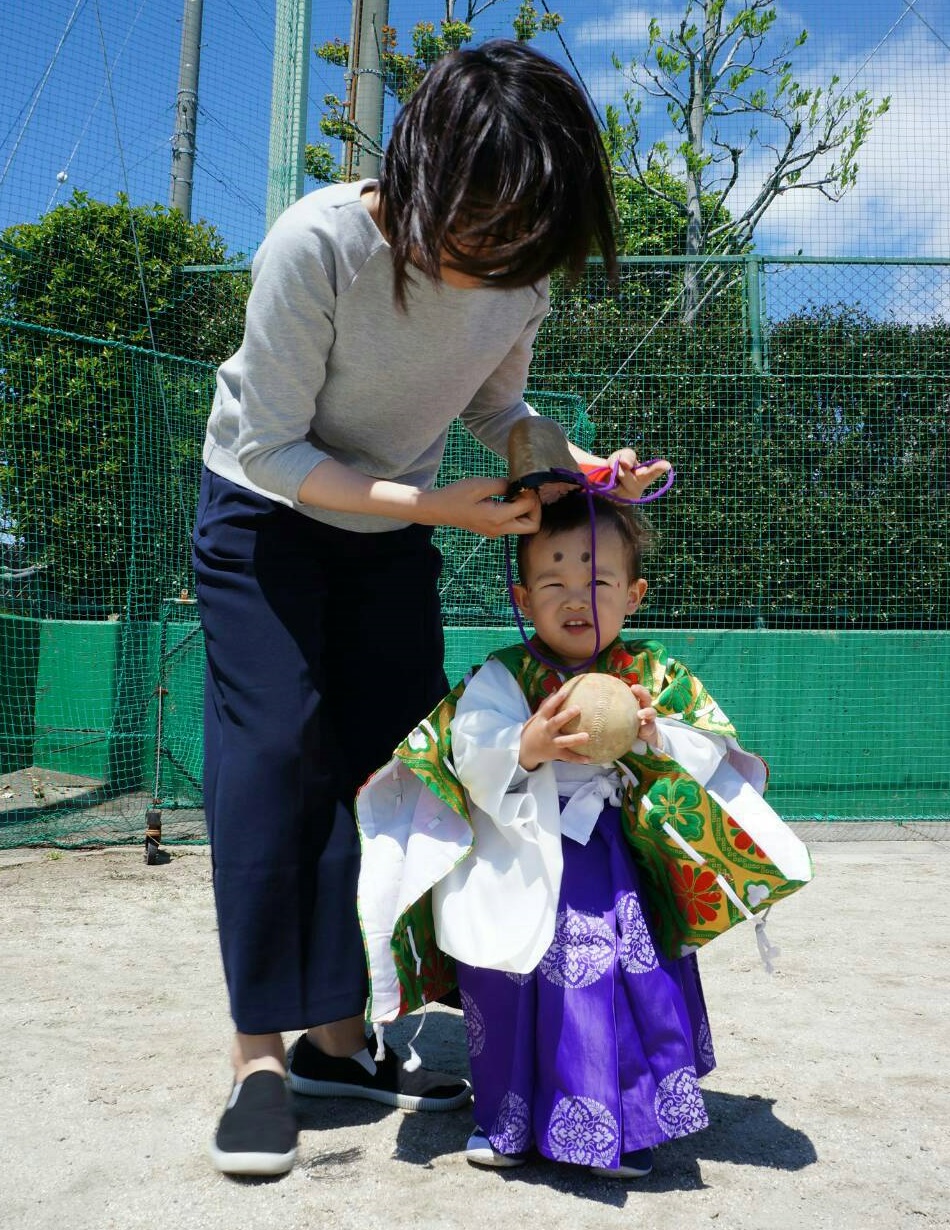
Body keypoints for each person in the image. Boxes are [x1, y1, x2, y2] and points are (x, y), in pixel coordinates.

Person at [192, 39, 671, 1177]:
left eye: (522, 235)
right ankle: (259, 1061)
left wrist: (574, 463)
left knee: (399, 769)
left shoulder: (519, 273)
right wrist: (431, 506)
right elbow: (269, 446)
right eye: (478, 227)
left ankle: (341, 1045)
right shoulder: (318, 244)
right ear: (420, 170)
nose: (493, 258)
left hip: (394, 527)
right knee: (274, 759)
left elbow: (501, 407)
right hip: (265, 515)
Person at [355, 492, 810, 1179]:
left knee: (619, 984)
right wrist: (525, 745)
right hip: (517, 858)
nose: (576, 598)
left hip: (612, 860)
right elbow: (469, 749)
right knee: (507, 990)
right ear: (522, 597)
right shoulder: (504, 675)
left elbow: (710, 748)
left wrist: (657, 735)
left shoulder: (651, 673)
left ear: (634, 594)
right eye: (553, 583)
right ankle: (505, 1121)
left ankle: (620, 1128)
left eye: (597, 581)